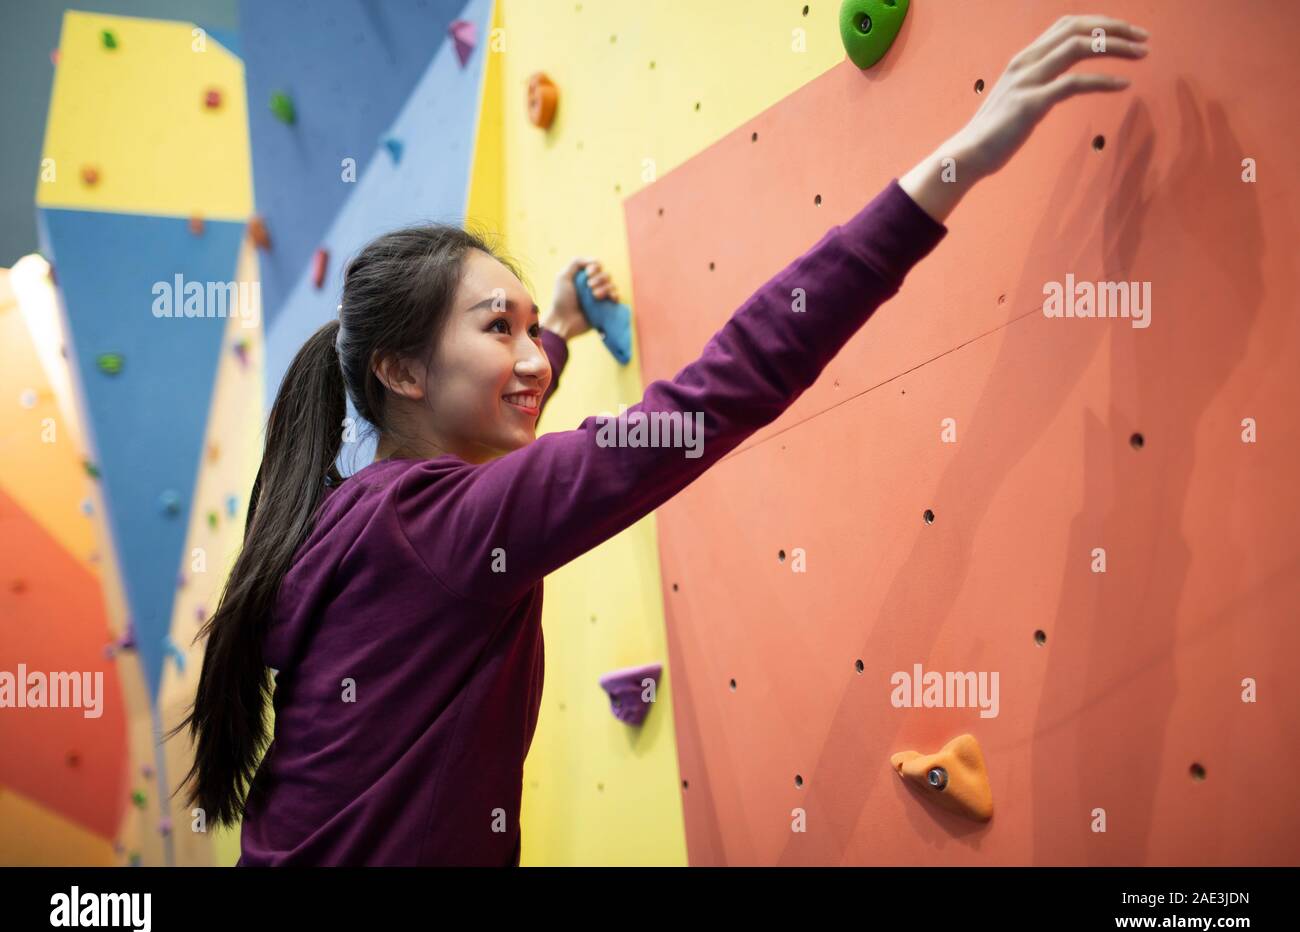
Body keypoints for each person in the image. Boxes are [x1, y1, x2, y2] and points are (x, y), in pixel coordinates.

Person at [170, 15, 1149, 865]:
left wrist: (550, 329)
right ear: (399, 370)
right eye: (493, 328)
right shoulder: (445, 524)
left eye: (521, 327)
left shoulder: (366, 514)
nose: (525, 359)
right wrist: (957, 162)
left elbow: (506, 464)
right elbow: (724, 385)